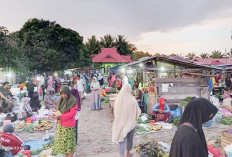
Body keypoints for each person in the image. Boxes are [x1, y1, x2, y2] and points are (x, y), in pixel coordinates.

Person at [112, 84, 141, 157]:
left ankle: (122, 155)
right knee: (130, 139)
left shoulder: (118, 100)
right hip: (130, 123)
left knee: (121, 139)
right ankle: (127, 153)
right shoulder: (132, 99)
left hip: (120, 123)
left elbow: (115, 111)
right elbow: (138, 111)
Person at [53, 85, 77, 157]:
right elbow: (58, 109)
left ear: (68, 92)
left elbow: (72, 114)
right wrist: (55, 113)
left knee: (69, 144)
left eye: (65, 93)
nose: (63, 95)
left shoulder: (72, 101)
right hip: (61, 125)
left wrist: (61, 116)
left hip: (68, 126)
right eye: (62, 93)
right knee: (64, 145)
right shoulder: (60, 100)